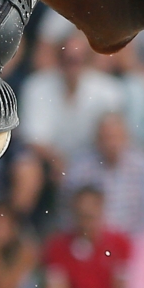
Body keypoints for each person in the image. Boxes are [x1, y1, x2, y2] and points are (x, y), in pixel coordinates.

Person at [18, 31, 126, 178]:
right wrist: (58, 162)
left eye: (79, 60)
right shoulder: (36, 86)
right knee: (26, 167)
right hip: (48, 162)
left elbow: (114, 136)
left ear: (88, 60)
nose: (73, 67)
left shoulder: (108, 90)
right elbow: (33, 138)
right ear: (58, 59)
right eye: (68, 60)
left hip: (95, 160)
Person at [65, 111, 144, 237]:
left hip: (136, 244)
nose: (111, 144)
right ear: (97, 140)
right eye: (106, 138)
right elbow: (69, 213)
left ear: (126, 137)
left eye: (115, 137)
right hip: (93, 242)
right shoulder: (80, 168)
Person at [44, 185, 134, 288]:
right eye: (82, 217)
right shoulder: (57, 247)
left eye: (90, 217)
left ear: (101, 212)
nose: (86, 225)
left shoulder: (120, 244)